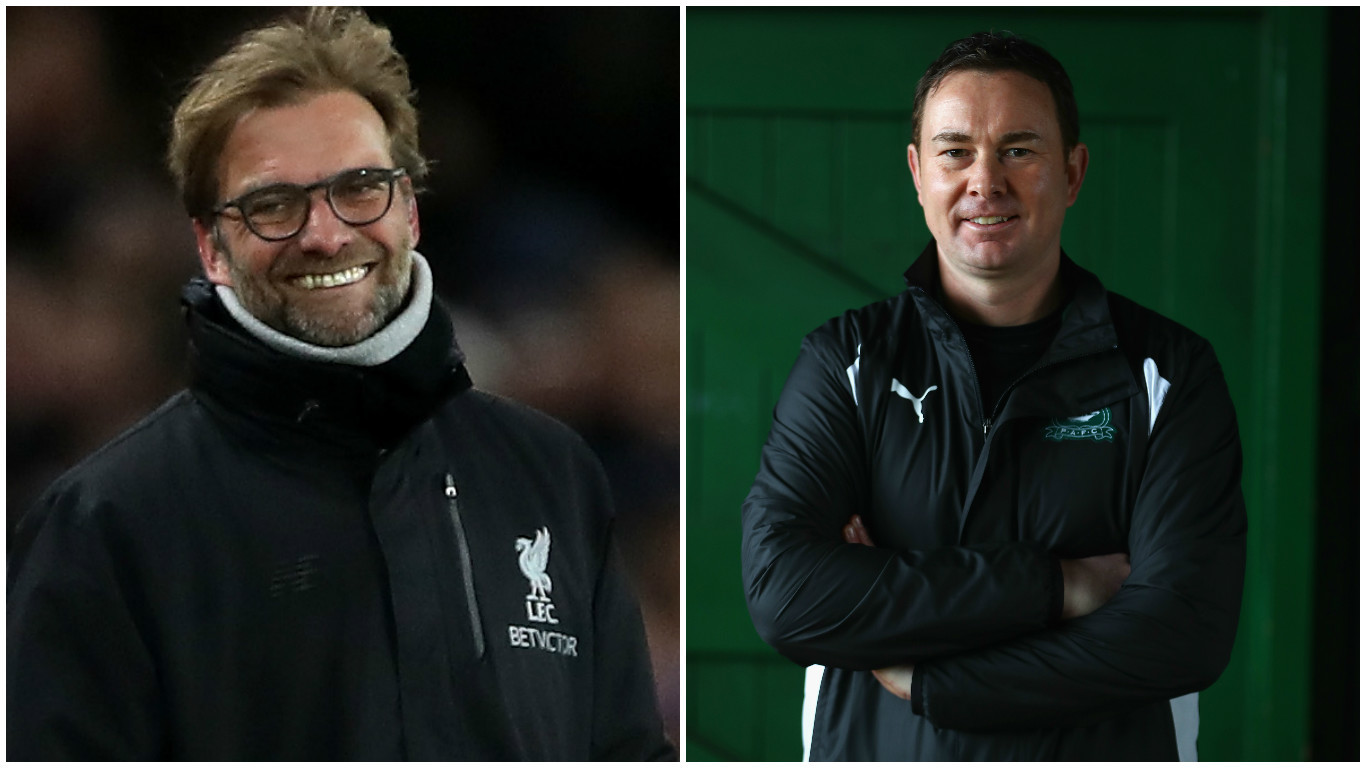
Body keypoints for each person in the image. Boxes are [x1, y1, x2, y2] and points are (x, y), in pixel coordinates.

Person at [7, 8, 675, 761]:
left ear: (411, 211)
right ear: (211, 247)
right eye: (273, 204)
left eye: (360, 187)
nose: (325, 233)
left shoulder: (551, 477)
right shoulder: (106, 522)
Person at [741, 31, 1246, 761]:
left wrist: (928, 682)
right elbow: (788, 596)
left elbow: (1180, 631)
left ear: (1072, 173)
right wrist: (1056, 585)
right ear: (918, 174)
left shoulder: (1167, 372)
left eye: (1018, 149)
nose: (986, 181)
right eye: (955, 151)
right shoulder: (846, 362)